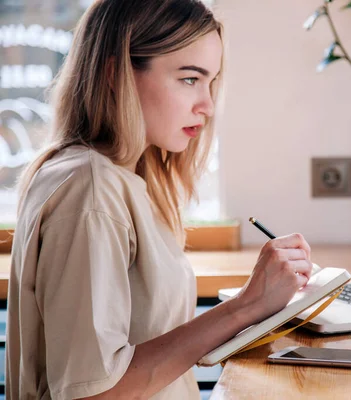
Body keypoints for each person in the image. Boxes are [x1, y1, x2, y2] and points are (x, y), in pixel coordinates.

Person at [6, 1, 313, 399]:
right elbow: (93, 394)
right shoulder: (92, 191)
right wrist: (247, 306)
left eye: (210, 82)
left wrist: (256, 306)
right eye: (189, 79)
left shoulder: (118, 176)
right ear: (115, 74)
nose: (206, 104)